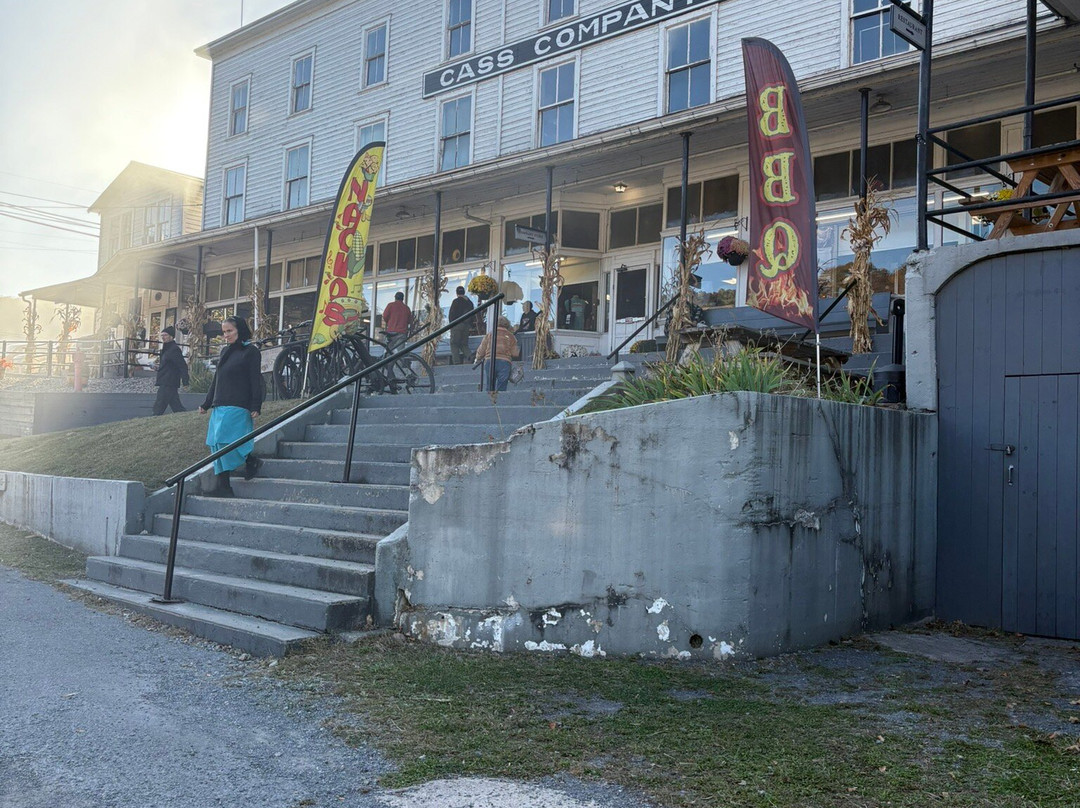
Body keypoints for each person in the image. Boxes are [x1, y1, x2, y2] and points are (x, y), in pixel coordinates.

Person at [198, 316, 263, 497]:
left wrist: (256, 404)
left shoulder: (250, 351)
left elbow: (255, 379)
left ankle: (251, 460)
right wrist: (207, 402)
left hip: (238, 404)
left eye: (229, 331)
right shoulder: (225, 351)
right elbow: (217, 379)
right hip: (220, 404)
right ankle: (224, 487)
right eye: (224, 332)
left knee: (228, 442)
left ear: (239, 330)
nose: (225, 335)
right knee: (217, 445)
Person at [473, 316, 519, 391]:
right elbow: (515, 353)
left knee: (490, 385)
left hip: (490, 361)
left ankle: (489, 400)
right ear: (507, 324)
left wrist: (477, 358)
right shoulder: (511, 336)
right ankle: (500, 401)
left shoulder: (489, 335)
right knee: (502, 386)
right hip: (505, 362)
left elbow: (481, 350)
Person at [152, 326, 189, 415]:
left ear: (171, 336)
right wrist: (157, 367)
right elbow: (167, 365)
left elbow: (182, 365)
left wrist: (185, 381)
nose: (163, 337)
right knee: (175, 404)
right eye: (162, 336)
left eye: (165, 335)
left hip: (169, 380)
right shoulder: (166, 349)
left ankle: (154, 418)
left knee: (160, 404)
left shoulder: (174, 349)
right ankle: (183, 415)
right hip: (166, 379)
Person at [447, 285, 474, 365]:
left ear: (456, 293)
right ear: (464, 292)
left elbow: (451, 315)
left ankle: (456, 362)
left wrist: (451, 325)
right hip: (466, 326)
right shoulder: (470, 303)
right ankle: (471, 357)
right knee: (464, 344)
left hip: (456, 325)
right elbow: (472, 315)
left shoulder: (456, 301)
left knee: (454, 344)